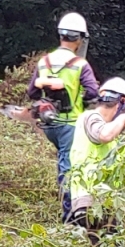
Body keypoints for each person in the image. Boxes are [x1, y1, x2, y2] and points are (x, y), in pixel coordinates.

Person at [26, 12, 100, 221]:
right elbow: (93, 93)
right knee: (69, 168)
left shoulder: (44, 61)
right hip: (71, 125)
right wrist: (83, 101)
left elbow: (32, 93)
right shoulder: (80, 64)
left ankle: (72, 210)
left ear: (60, 36)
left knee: (65, 163)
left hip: (49, 125)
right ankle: (70, 217)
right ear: (79, 39)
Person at [66, 77, 125, 246]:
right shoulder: (90, 118)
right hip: (92, 202)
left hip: (106, 203)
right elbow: (103, 135)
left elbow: (122, 173)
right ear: (120, 104)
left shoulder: (113, 142)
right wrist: (123, 119)